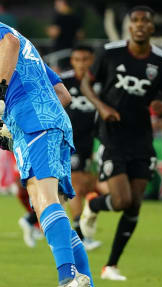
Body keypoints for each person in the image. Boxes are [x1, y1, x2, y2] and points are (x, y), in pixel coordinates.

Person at [0, 2, 101, 287]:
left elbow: (8, 41)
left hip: (34, 122)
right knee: (49, 206)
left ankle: (68, 278)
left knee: (44, 202)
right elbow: (63, 94)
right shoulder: (27, 51)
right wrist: (11, 131)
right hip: (52, 124)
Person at [79, 6, 162, 281]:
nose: (138, 25)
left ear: (151, 28)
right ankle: (94, 205)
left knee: (135, 204)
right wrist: (101, 107)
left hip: (142, 139)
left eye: (144, 21)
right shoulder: (111, 52)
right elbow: (87, 84)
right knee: (122, 200)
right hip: (112, 136)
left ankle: (110, 266)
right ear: (128, 26)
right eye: (134, 21)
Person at [60, 45, 102, 251]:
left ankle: (33, 219)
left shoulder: (100, 82)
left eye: (85, 59)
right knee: (76, 184)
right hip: (67, 139)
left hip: (89, 141)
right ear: (72, 61)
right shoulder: (64, 81)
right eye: (77, 59)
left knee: (85, 185)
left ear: (92, 60)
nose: (81, 63)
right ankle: (80, 234)